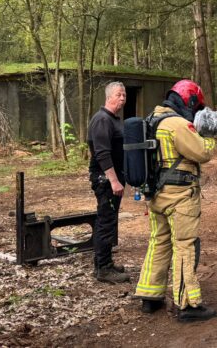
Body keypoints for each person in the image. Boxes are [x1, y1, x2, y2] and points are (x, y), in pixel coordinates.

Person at [133, 79, 217, 322]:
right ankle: (188, 304)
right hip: (179, 197)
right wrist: (210, 134)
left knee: (158, 242)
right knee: (184, 245)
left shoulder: (152, 119)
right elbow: (202, 152)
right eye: (196, 105)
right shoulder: (177, 124)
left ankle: (150, 296)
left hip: (156, 195)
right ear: (188, 101)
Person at [88, 81, 130, 284]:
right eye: (118, 95)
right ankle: (103, 269)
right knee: (106, 222)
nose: (122, 98)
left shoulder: (113, 120)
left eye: (124, 95)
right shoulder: (102, 120)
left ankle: (103, 263)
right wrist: (113, 181)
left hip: (113, 178)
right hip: (105, 179)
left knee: (108, 220)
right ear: (108, 97)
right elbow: (102, 153)